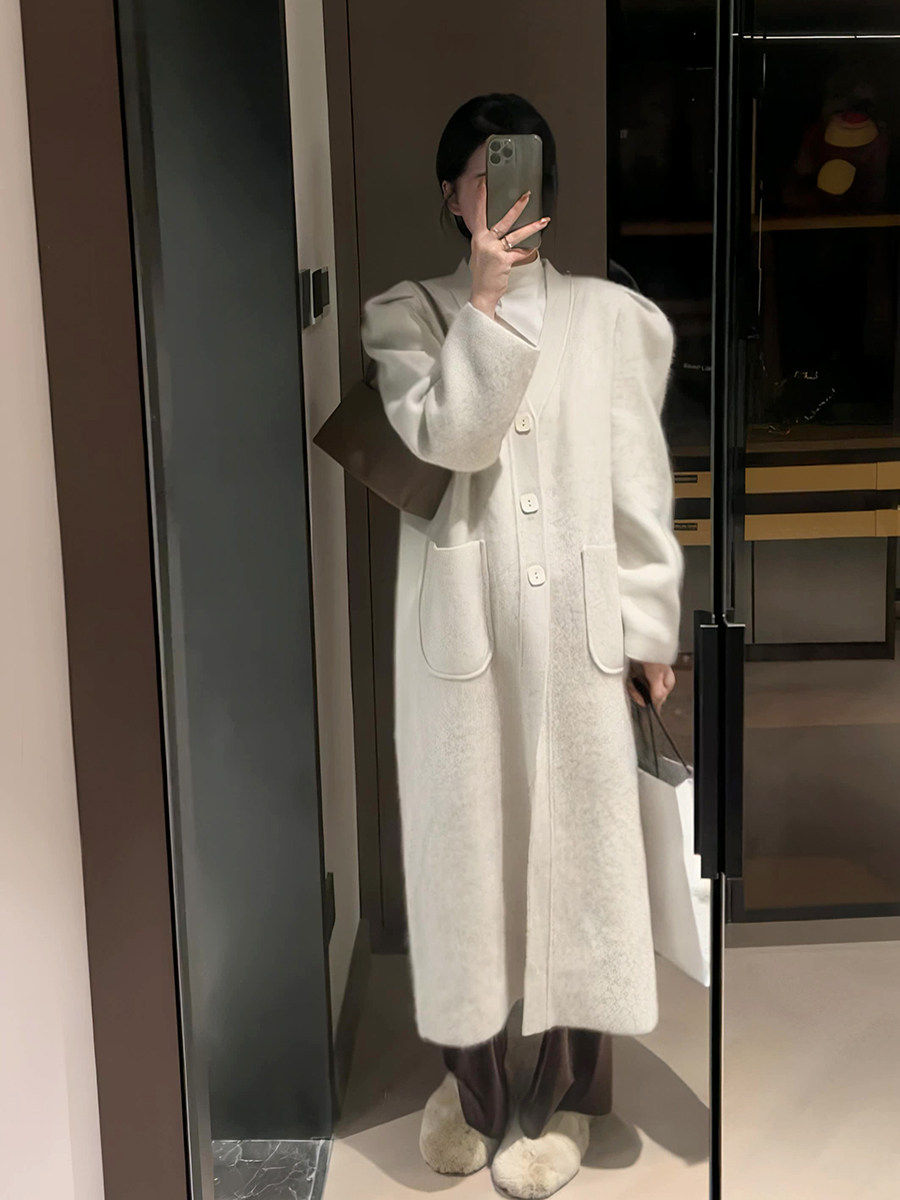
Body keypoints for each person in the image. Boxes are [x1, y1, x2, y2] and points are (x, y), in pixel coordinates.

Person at [360, 93, 683, 1200]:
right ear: (453, 196)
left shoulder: (607, 318)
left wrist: (650, 626)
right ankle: (474, 1092)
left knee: (581, 865)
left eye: (516, 173)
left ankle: (566, 1098)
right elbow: (453, 439)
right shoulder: (407, 320)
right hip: (461, 645)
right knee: (468, 870)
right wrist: (487, 307)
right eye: (478, 176)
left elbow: (639, 486)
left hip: (579, 639)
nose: (497, 196)